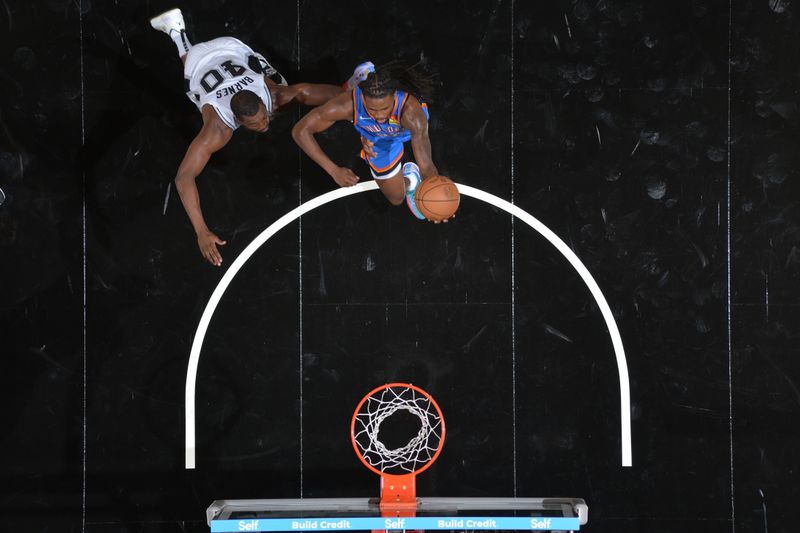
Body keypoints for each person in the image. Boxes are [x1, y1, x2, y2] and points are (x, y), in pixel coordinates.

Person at [150, 8, 372, 266]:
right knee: (191, 65)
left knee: (286, 85)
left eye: (264, 117)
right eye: (255, 124)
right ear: (238, 121)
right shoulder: (217, 127)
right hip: (198, 62)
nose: (264, 124)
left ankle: (346, 87)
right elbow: (183, 177)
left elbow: (308, 91)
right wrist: (201, 231)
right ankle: (177, 32)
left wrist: (352, 106)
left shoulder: (275, 96)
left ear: (261, 100)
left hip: (232, 48)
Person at [291, 60, 448, 222]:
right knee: (396, 198)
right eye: (372, 109)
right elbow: (300, 131)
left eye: (384, 108)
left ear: (394, 96)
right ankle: (410, 180)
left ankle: (366, 76)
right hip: (377, 139)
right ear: (363, 98)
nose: (379, 116)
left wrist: (435, 197)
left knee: (405, 141)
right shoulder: (348, 105)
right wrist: (333, 170)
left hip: (405, 130)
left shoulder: (412, 113)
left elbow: (427, 165)